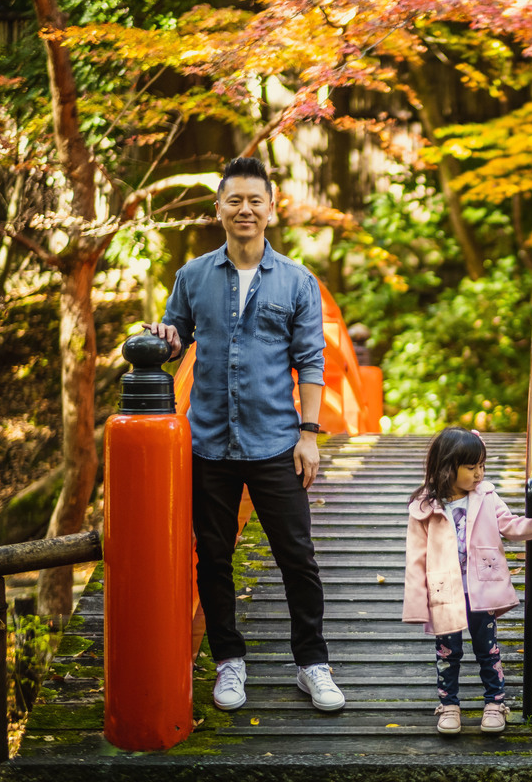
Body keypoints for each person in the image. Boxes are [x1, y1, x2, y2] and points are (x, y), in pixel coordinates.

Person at [144, 157, 345, 712]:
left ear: (271, 208)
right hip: (208, 441)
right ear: (219, 210)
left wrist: (309, 434)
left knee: (297, 556)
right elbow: (175, 337)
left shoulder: (297, 280)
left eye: (255, 200)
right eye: (234, 201)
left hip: (276, 441)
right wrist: (165, 336)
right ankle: (229, 662)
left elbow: (311, 361)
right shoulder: (192, 276)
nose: (245, 210)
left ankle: (313, 663)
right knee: (213, 555)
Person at [402, 427, 532, 735]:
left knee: (488, 650)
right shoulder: (425, 507)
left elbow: (511, 525)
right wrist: (417, 604)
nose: (478, 474)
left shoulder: (485, 496)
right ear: (448, 467)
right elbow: (415, 558)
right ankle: (449, 705)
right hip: (444, 592)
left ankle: (495, 702)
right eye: (471, 467)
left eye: (481, 466)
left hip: (480, 590)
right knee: (448, 653)